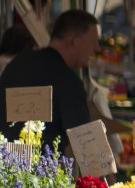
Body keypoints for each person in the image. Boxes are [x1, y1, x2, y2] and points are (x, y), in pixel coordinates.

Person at [0, 11, 101, 151]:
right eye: (93, 42)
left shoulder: (17, 65)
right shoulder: (68, 81)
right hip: (44, 169)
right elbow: (87, 144)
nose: (97, 48)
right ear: (73, 41)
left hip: (6, 166)